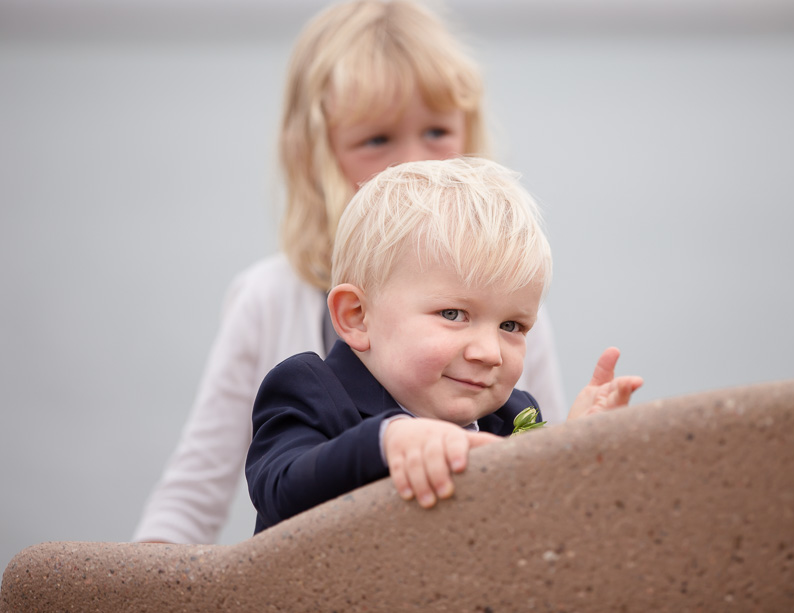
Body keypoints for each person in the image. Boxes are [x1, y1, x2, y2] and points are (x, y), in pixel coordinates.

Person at [133, 0, 566, 545]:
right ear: (316, 154)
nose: (414, 163)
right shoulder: (269, 300)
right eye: (377, 140)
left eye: (436, 131)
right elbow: (196, 495)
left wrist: (582, 444)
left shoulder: (503, 314)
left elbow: (536, 482)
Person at [247, 157, 643, 533]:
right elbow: (278, 490)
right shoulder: (310, 391)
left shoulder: (510, 416)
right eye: (453, 314)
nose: (489, 352)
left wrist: (574, 450)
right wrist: (387, 441)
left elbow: (538, 534)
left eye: (511, 325)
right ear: (356, 316)